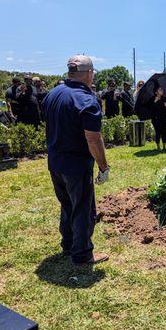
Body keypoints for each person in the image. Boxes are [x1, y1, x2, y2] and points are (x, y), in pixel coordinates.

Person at [42, 55, 109, 265]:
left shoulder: (53, 94)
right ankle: (82, 254)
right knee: (82, 208)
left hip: (55, 161)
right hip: (76, 164)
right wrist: (103, 166)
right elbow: (93, 139)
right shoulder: (86, 100)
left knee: (67, 204)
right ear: (89, 73)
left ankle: (68, 244)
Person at [151, 82, 166, 150]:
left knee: (164, 132)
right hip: (156, 119)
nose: (162, 91)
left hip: (164, 118)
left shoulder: (164, 98)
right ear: (156, 92)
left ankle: (164, 146)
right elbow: (151, 109)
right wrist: (154, 103)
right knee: (158, 132)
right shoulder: (153, 99)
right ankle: (158, 146)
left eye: (162, 90)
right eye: (160, 90)